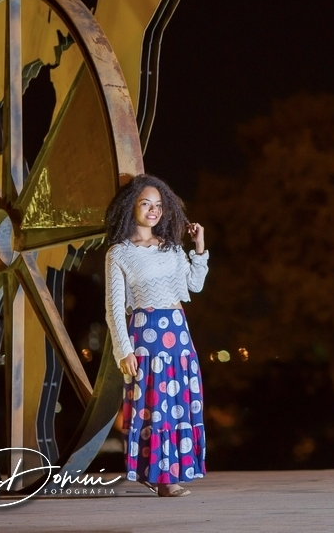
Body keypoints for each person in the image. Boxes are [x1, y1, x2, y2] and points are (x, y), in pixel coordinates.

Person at [104, 174, 209, 497]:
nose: (153, 211)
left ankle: (174, 472)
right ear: (130, 207)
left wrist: (199, 246)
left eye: (158, 205)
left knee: (178, 406)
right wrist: (124, 350)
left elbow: (195, 284)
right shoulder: (119, 253)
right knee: (154, 407)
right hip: (146, 337)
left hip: (178, 335)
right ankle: (162, 479)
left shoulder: (172, 248)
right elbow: (114, 308)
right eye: (145, 204)